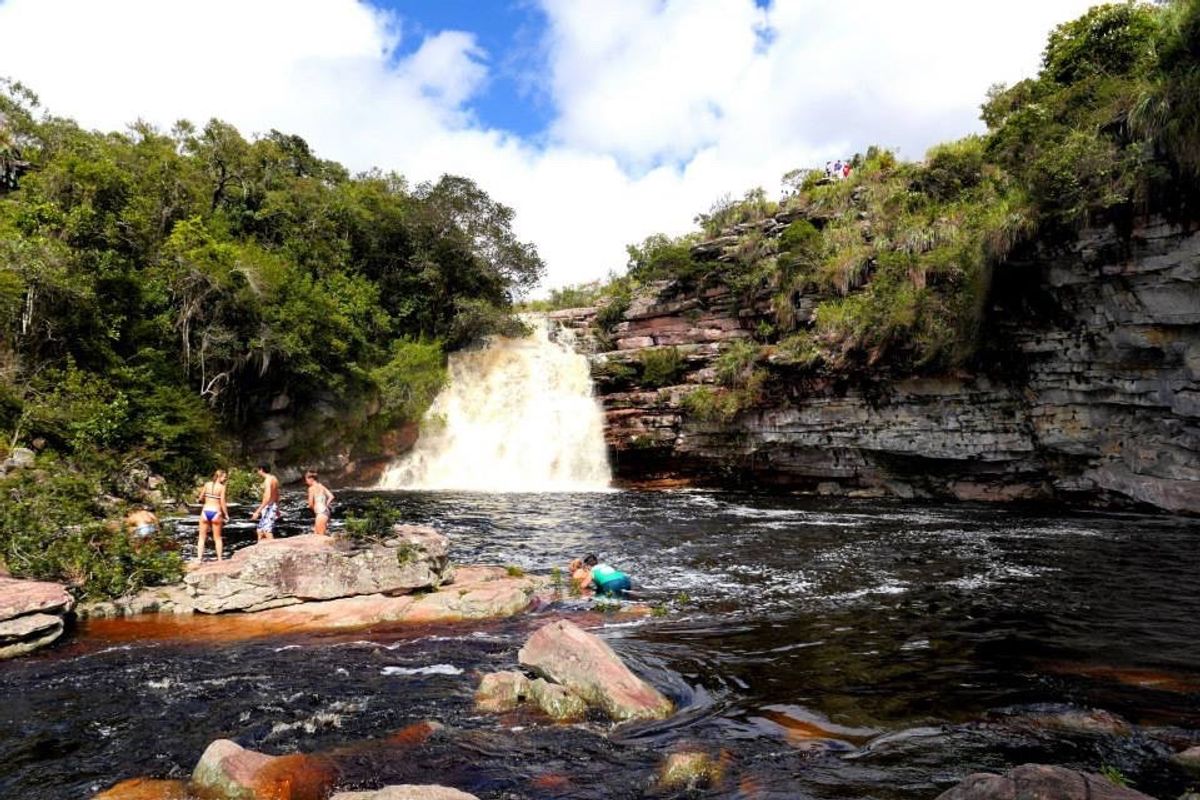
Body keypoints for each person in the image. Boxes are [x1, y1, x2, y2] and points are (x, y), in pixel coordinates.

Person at [195, 470, 229, 562]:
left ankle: (199, 559)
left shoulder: (207, 484)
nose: (225, 478)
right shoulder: (222, 487)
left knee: (201, 537)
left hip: (205, 512)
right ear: (219, 476)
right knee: (217, 538)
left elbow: (200, 498)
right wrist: (226, 514)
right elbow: (222, 502)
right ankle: (220, 559)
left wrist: (202, 500)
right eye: (224, 477)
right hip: (216, 512)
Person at [250, 463, 280, 541]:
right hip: (272, 506)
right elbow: (277, 494)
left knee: (267, 531)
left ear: (261, 469)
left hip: (269, 507)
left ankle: (274, 549)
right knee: (260, 531)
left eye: (258, 470)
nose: (258, 472)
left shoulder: (267, 480)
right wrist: (277, 508)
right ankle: (259, 549)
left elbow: (267, 497)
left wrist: (257, 511)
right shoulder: (274, 478)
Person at [304, 470, 335, 535]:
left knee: (320, 535)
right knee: (316, 533)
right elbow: (331, 496)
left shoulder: (311, 488)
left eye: (306, 479)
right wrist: (326, 505)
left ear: (311, 479)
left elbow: (310, 504)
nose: (306, 482)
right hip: (325, 511)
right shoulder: (322, 486)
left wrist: (314, 509)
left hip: (320, 512)